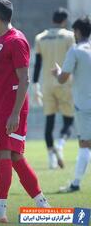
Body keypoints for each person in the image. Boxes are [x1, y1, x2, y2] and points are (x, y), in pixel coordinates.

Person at [0, 0, 50, 224]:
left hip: (12, 109)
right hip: (4, 107)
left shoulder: (16, 40)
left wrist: (15, 113)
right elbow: (4, 80)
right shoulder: (2, 41)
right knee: (16, 157)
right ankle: (43, 206)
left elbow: (24, 80)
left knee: (2, 155)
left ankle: (0, 211)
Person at [52, 16, 91, 193]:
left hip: (84, 106)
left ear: (77, 32)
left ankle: (75, 184)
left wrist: (57, 72)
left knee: (84, 143)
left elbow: (62, 79)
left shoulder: (75, 50)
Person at [33, 8, 75, 169]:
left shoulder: (40, 38)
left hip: (47, 85)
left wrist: (35, 87)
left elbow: (37, 65)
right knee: (68, 121)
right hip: (65, 83)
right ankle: (60, 143)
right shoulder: (69, 36)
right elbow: (73, 60)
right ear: (64, 21)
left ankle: (51, 158)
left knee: (49, 123)